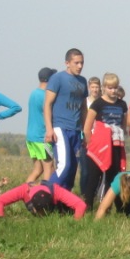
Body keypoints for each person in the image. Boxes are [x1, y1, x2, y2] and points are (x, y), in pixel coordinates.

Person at [82, 72, 129, 211]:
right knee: (93, 178)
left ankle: (107, 208)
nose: (113, 91)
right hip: (99, 146)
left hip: (115, 145)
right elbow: (87, 127)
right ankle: (87, 208)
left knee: (113, 178)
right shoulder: (98, 103)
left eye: (115, 87)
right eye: (110, 88)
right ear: (104, 87)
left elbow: (123, 125)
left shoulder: (122, 104)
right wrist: (90, 145)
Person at [44, 48, 88, 190]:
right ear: (67, 63)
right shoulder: (57, 78)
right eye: (76, 63)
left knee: (72, 169)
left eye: (82, 63)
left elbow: (83, 108)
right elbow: (47, 104)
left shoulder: (83, 81)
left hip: (76, 130)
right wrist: (49, 129)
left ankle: (63, 199)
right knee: (64, 165)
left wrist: (85, 132)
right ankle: (44, 193)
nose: (80, 66)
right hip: (60, 128)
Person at [25, 68, 57, 184]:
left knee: (37, 169)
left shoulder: (34, 93)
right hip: (42, 138)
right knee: (49, 168)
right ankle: (45, 193)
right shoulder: (45, 96)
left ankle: (25, 192)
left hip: (31, 137)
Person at [0, 181, 87, 219]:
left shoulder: (56, 191)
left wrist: (75, 224)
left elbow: (81, 205)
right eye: (40, 212)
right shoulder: (24, 190)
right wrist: (1, 222)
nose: (42, 215)